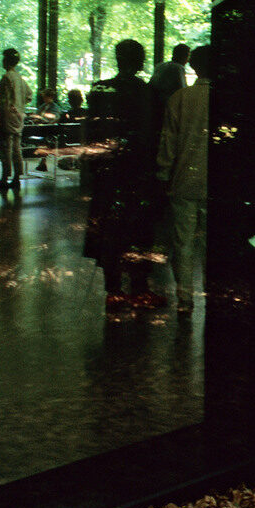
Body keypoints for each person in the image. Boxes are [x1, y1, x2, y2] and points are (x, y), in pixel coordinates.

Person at [84, 38, 163, 307]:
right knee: (138, 227)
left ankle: (114, 290)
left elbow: (92, 132)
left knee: (109, 226)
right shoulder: (147, 92)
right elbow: (154, 133)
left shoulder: (100, 89)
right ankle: (139, 288)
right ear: (140, 61)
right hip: (138, 172)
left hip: (108, 170)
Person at [157, 44, 210, 314]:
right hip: (216, 183)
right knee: (213, 243)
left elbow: (169, 142)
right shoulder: (230, 98)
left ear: (193, 66)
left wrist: (163, 173)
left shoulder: (179, 98)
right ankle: (215, 295)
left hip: (184, 180)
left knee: (183, 242)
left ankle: (185, 298)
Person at [0, 48, 32, 193]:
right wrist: (20, 105)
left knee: (6, 148)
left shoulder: (7, 78)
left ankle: (5, 178)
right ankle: (17, 177)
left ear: (7, 61)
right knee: (17, 148)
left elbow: (2, 100)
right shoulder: (20, 78)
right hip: (19, 117)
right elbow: (29, 95)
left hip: (7, 117)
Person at [149, 43, 190, 110]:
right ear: (183, 56)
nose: (188, 60)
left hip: (154, 104)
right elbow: (182, 90)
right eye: (187, 56)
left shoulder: (160, 65)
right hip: (167, 106)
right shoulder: (178, 68)